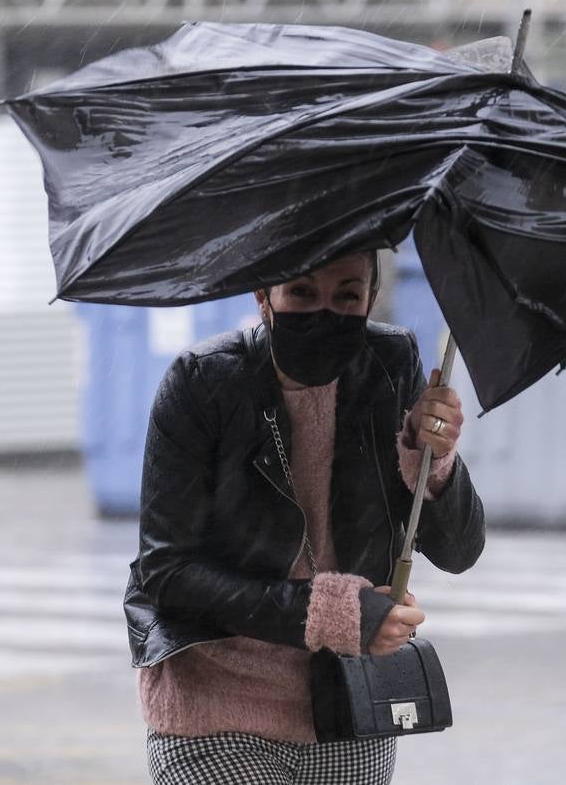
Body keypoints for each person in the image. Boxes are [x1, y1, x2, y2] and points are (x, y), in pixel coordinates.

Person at [124, 250, 487, 785]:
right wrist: (334, 613)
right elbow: (167, 571)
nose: (324, 313)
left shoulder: (392, 364)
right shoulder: (202, 381)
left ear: (368, 298)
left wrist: (431, 459)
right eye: (300, 292)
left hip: (346, 705)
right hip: (215, 706)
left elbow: (459, 551)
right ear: (262, 297)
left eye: (346, 295)